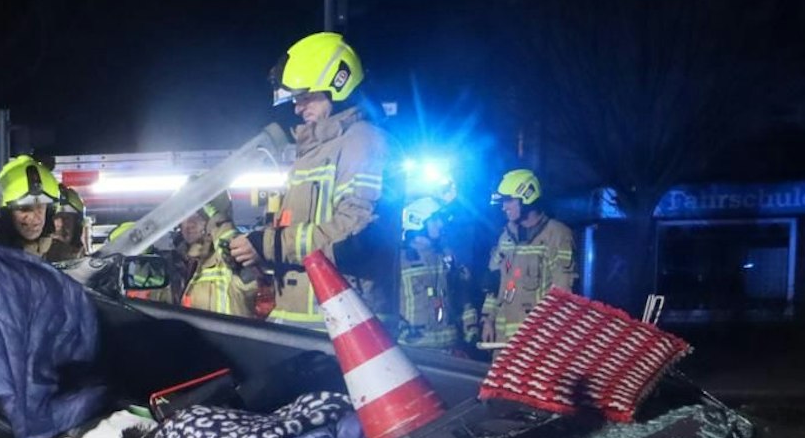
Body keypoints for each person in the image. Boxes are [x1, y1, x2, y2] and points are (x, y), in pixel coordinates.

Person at [226, 32, 397, 329]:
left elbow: (354, 234)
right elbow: (295, 240)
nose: (297, 108)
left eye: (306, 97)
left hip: (347, 330)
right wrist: (254, 255)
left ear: (337, 85)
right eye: (295, 99)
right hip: (307, 325)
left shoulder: (364, 142)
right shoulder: (312, 153)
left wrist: (267, 245)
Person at [479, 169, 576, 345]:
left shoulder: (557, 235)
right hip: (501, 342)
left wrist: (552, 337)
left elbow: (563, 292)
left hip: (535, 343)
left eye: (509, 200)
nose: (504, 207)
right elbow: (494, 284)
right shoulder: (505, 236)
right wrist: (488, 320)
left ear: (526, 197)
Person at [397, 197, 467, 349]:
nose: (441, 224)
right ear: (418, 221)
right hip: (414, 350)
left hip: (449, 349)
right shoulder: (399, 261)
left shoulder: (447, 256)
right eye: (435, 220)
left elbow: (463, 295)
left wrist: (471, 328)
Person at [0, 155, 78, 261]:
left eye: (41, 207)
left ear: (50, 212)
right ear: (6, 214)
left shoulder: (65, 256)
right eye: (24, 208)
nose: (34, 218)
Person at [181, 202, 257, 317]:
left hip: (226, 335)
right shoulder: (179, 263)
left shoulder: (228, 260)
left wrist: (218, 220)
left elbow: (231, 247)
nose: (189, 224)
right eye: (184, 217)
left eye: (197, 217)